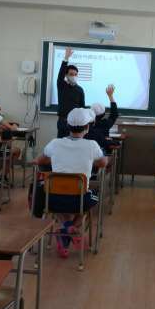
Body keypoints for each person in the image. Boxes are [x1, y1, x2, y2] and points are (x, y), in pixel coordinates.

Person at [35, 108, 108, 258]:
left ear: (67, 126)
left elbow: (40, 161)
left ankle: (66, 227)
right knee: (95, 196)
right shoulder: (92, 145)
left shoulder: (55, 143)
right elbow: (103, 163)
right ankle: (72, 227)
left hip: (52, 199)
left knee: (57, 197)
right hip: (79, 200)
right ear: (87, 127)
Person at [57, 47, 85, 138]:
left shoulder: (80, 89)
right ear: (66, 75)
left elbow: (82, 107)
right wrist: (66, 58)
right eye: (71, 74)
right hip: (63, 121)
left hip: (76, 123)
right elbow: (60, 74)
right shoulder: (62, 85)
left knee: (75, 144)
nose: (74, 76)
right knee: (61, 144)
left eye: (76, 74)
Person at [86, 85, 119, 150]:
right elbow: (114, 115)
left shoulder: (85, 125)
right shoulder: (105, 124)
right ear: (103, 114)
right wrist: (110, 96)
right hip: (101, 150)